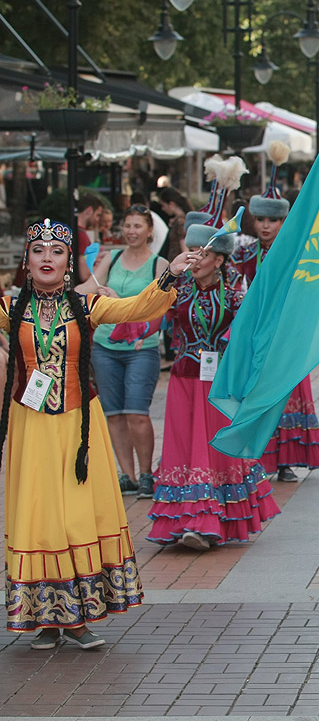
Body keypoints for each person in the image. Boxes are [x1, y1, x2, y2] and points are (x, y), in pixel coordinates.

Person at [1, 218, 192, 648]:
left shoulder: (86, 308)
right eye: (38, 252)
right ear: (27, 261)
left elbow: (138, 308)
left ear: (70, 262)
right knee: (39, 517)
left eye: (56, 252)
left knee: (75, 516)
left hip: (77, 431)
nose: (47, 258)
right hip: (31, 429)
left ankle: (77, 618)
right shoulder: (12, 310)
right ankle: (46, 620)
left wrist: (171, 273)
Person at [147, 213, 281, 550]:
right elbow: (151, 312)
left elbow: (252, 329)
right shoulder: (178, 287)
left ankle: (208, 523)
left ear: (219, 259)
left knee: (214, 449)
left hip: (219, 384)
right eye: (190, 250)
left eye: (202, 253)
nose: (194, 259)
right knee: (182, 449)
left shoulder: (235, 288)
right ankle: (181, 521)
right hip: (183, 379)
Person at [231, 142, 319, 481]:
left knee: (284, 394)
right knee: (256, 395)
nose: (267, 226)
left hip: (288, 336)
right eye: (261, 220)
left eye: (274, 220)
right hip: (256, 337)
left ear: (285, 220)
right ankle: (261, 458)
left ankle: (284, 460)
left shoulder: (298, 256)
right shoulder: (243, 254)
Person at [88, 206, 168, 498]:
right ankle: (128, 475)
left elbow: (163, 304)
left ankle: (146, 473)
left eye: (138, 226)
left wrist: (147, 327)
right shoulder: (112, 258)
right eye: (128, 225)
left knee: (136, 412)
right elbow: (90, 287)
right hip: (106, 345)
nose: (131, 231)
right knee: (114, 413)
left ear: (149, 231)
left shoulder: (159, 264)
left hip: (141, 348)